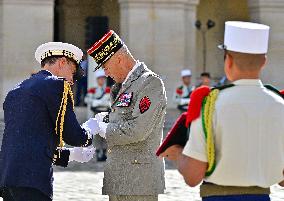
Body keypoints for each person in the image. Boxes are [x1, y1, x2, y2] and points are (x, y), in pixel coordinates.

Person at [160, 21, 284, 201]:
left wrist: (177, 154)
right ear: (263, 61)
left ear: (228, 61)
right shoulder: (279, 106)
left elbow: (193, 176)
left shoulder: (210, 104)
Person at [0, 42, 101, 201]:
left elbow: (30, 142)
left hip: (9, 180)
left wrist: (70, 155)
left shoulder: (16, 90)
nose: (72, 80)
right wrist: (90, 131)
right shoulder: (56, 84)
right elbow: (73, 136)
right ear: (62, 62)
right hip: (33, 182)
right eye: (73, 73)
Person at [87, 30, 167, 201]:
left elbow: (138, 129)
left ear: (119, 59)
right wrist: (105, 118)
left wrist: (104, 128)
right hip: (119, 178)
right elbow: (124, 118)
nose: (106, 74)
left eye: (106, 67)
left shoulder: (150, 83)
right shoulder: (122, 86)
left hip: (139, 181)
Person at [85, 69, 110, 161]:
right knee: (97, 133)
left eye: (103, 79)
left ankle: (104, 151)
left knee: (105, 132)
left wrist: (98, 102)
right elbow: (88, 100)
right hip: (97, 113)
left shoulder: (108, 90)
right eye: (100, 79)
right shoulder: (93, 90)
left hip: (106, 114)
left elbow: (110, 102)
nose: (101, 81)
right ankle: (98, 151)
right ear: (97, 80)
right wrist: (98, 102)